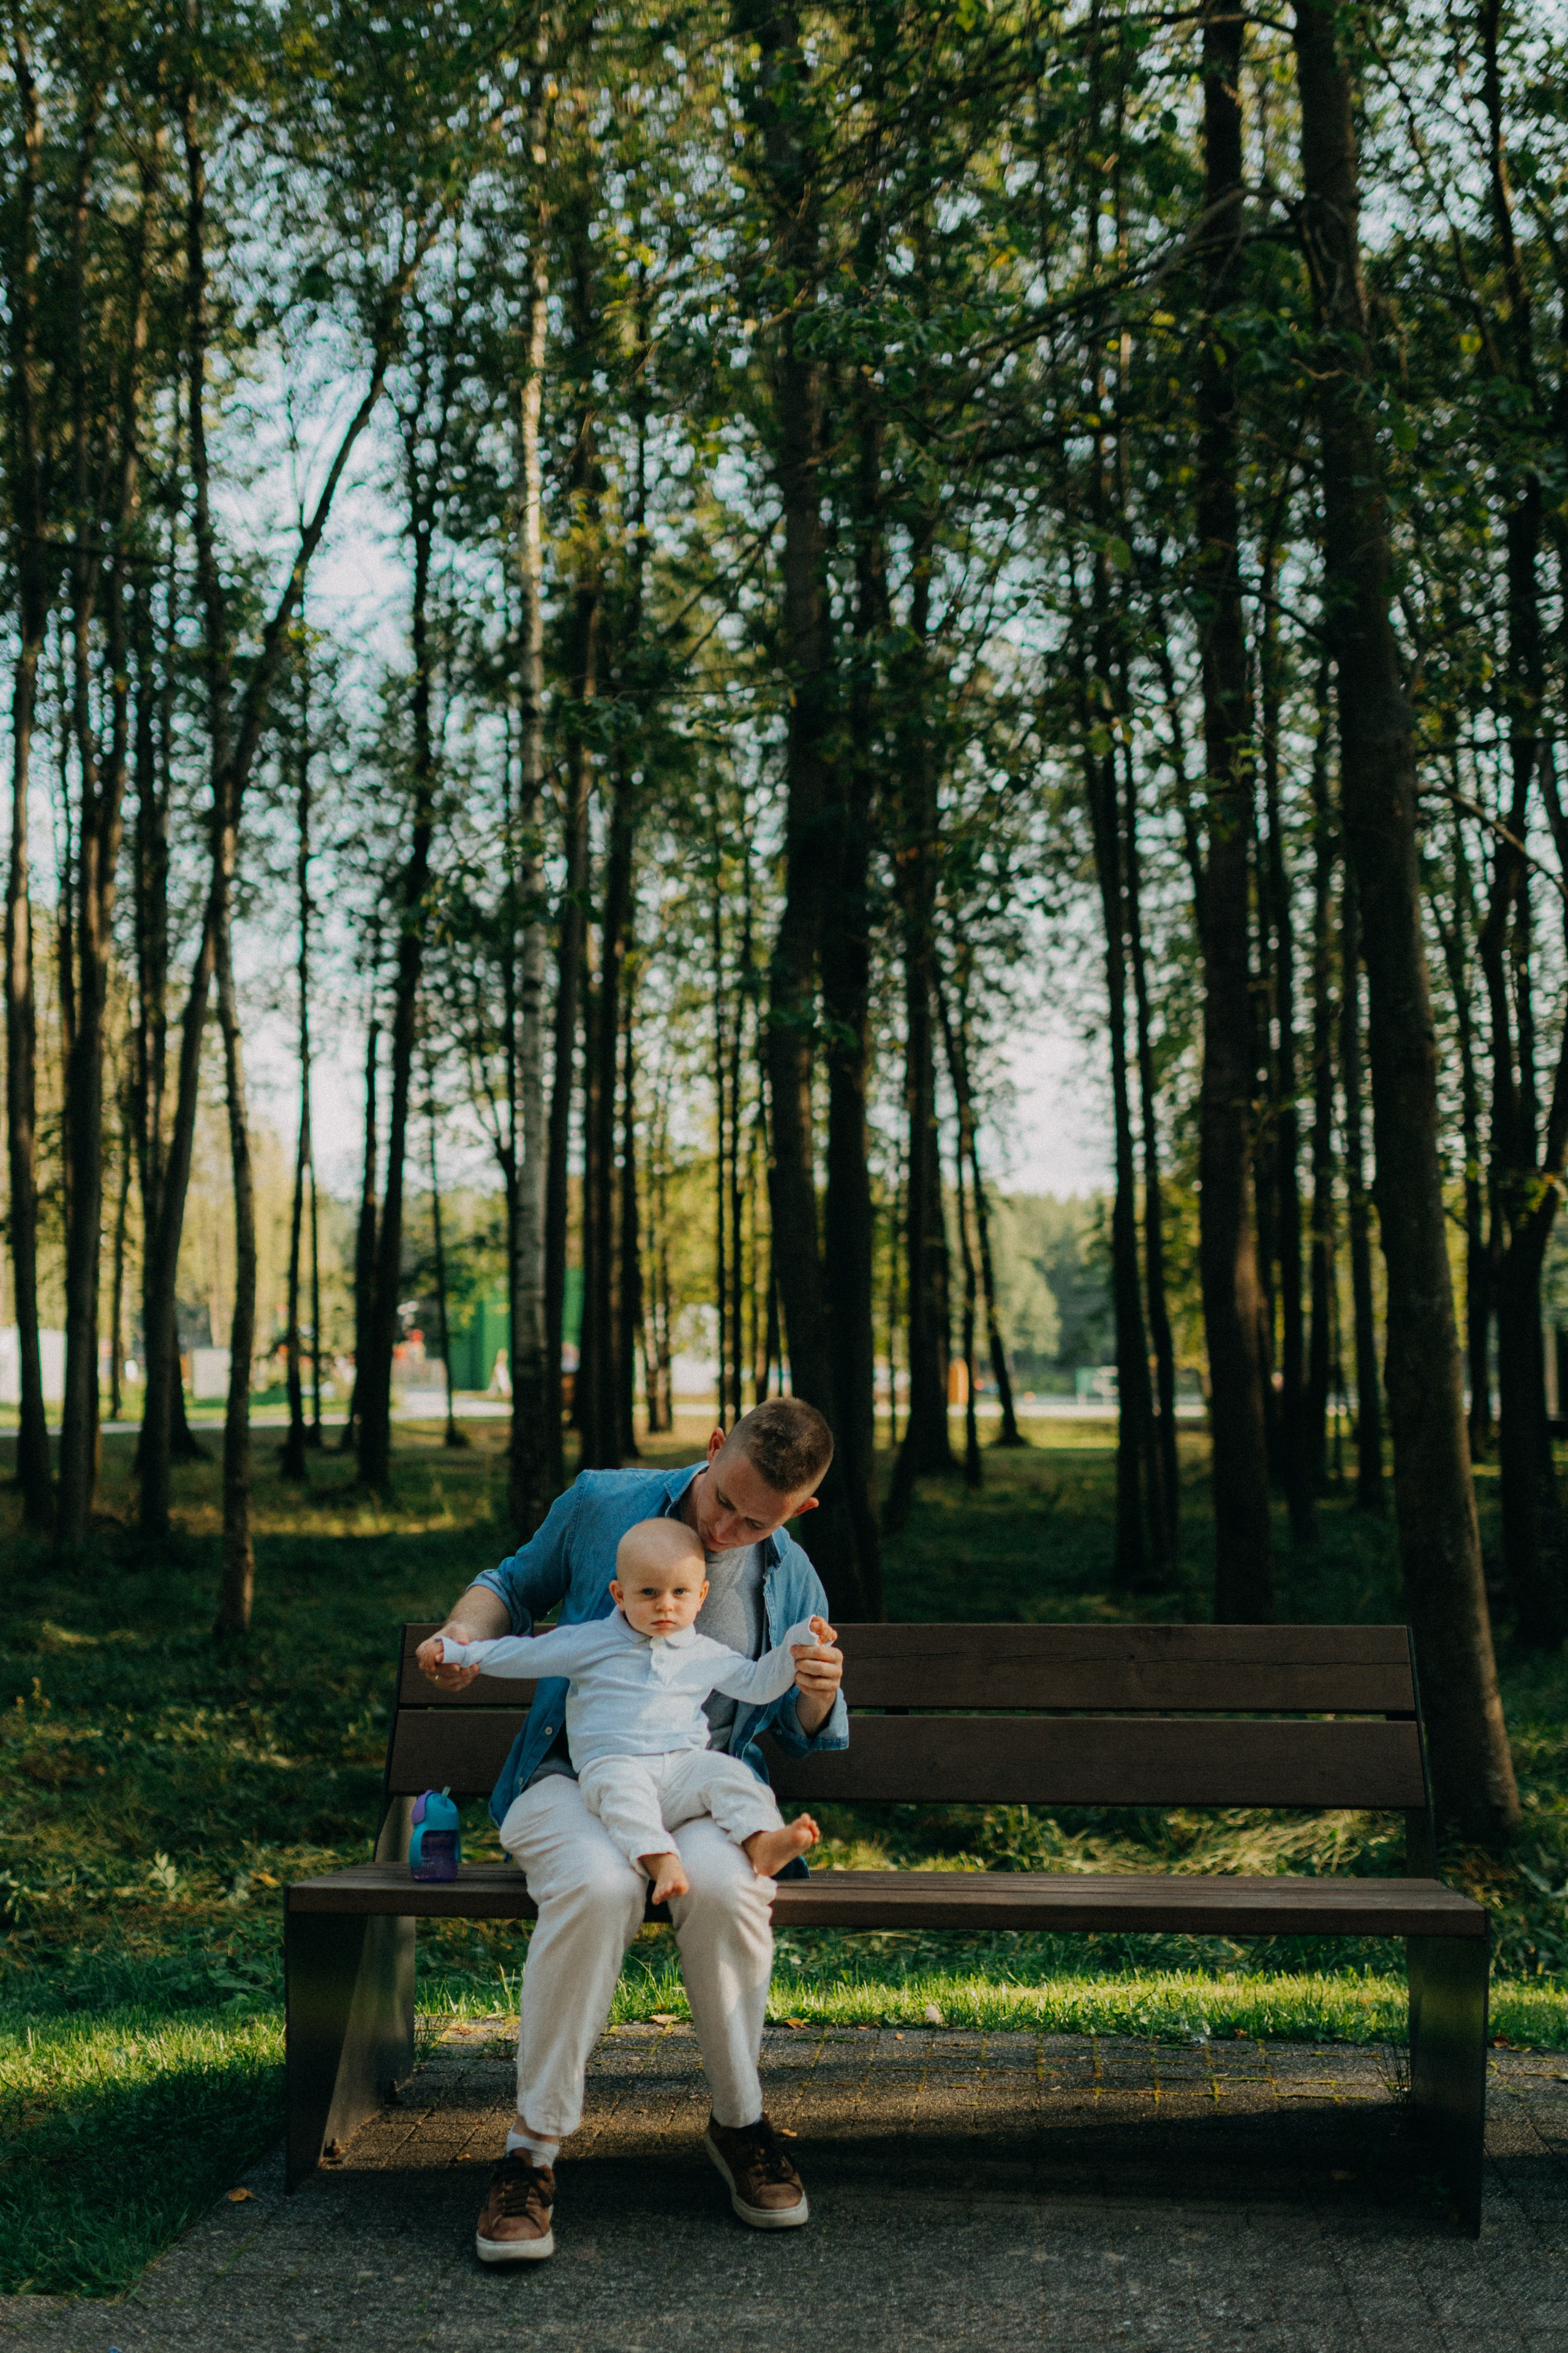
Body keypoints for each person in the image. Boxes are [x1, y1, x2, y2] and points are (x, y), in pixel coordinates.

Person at [416, 1396, 847, 2264]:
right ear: (716, 1444)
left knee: (729, 1888)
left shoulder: (789, 1573)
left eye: (752, 1520)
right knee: (600, 1885)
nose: (723, 1527)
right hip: (570, 1780)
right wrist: (465, 1633)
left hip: (691, 1789)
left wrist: (817, 1684)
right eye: (722, 1498)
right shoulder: (604, 1502)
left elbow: (800, 1729)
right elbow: (511, 1586)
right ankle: (530, 2153)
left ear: (797, 1513)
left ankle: (740, 2122)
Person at [435, 1515, 831, 1902]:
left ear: (701, 1596)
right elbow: (523, 1653)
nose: (665, 1606)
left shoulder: (704, 1653)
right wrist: (458, 1650)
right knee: (623, 1793)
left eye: (680, 1592)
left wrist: (802, 1641)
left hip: (681, 1768)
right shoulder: (591, 1643)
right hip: (613, 1763)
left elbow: (759, 1682)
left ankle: (761, 1840)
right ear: (620, 1594)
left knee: (728, 1773)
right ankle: (661, 1861)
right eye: (648, 1593)